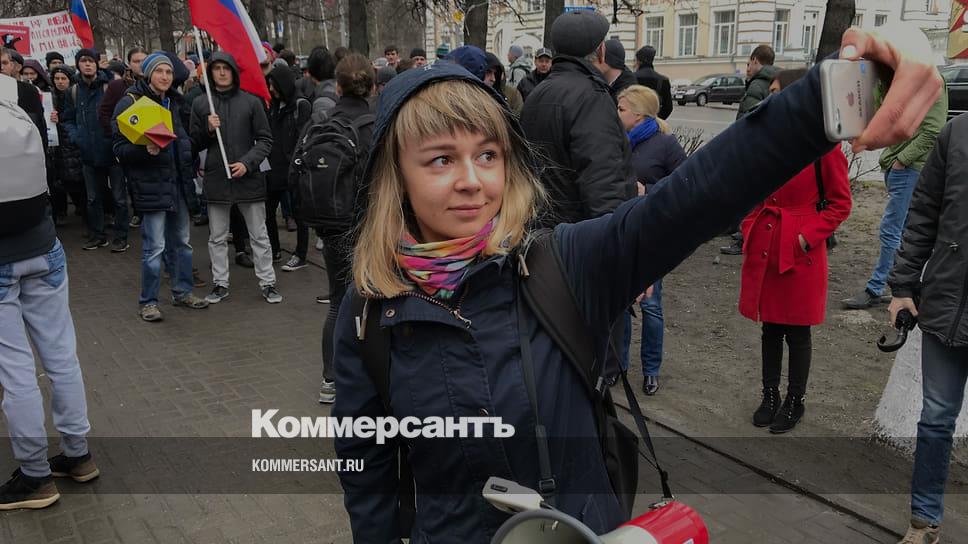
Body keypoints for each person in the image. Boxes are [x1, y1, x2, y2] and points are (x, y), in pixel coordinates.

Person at [331, 27, 941, 542]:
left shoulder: (563, 265)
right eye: (441, 159)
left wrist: (836, 92)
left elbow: (700, 194)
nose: (471, 179)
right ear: (395, 176)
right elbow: (369, 483)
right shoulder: (370, 316)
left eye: (488, 154)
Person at [739, 68, 852, 433]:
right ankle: (770, 396)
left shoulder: (824, 147)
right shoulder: (770, 141)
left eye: (776, 92)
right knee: (770, 328)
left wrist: (805, 237)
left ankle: (795, 400)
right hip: (768, 243)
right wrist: (749, 227)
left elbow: (840, 204)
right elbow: (753, 190)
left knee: (798, 332)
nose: (770, 98)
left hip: (802, 250)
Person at [0, 98, 98, 511]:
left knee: (15, 370)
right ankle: (77, 454)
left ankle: (35, 476)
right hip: (44, 247)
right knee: (61, 356)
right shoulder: (13, 103)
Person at [888, 98, 968, 544]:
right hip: (946, 305)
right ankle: (923, 522)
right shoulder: (957, 134)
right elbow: (923, 213)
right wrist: (902, 285)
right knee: (936, 417)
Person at [112, 53, 209, 321]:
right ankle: (149, 302)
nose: (165, 76)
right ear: (147, 74)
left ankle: (182, 292)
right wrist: (144, 150)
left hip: (179, 184)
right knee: (154, 247)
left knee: (183, 244)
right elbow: (118, 149)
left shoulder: (175, 102)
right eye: (159, 71)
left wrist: (208, 132)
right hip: (151, 186)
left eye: (168, 72)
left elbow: (187, 144)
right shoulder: (130, 102)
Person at [520, 10, 634, 227]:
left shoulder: (538, 93)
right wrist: (613, 236)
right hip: (579, 233)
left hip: (541, 228)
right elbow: (603, 183)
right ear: (601, 51)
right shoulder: (592, 97)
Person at [842, 86, 947, 310]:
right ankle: (903, 287)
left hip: (909, 169)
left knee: (892, 229)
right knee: (906, 230)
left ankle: (876, 288)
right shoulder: (910, 82)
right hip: (899, 166)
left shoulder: (931, 83)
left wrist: (902, 161)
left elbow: (932, 132)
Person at [189, 52, 281, 304]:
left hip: (248, 180)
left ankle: (267, 282)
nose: (221, 72)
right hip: (217, 179)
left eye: (226, 68)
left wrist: (247, 163)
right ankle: (220, 283)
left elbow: (265, 140)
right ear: (210, 72)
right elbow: (193, 143)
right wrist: (208, 129)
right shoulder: (201, 104)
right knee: (217, 237)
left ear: (233, 71)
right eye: (216, 68)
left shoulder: (251, 102)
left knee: (258, 235)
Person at [314, 53, 376, 405]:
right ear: (372, 86)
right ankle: (369, 376)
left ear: (337, 87)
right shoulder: (376, 126)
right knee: (374, 300)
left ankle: (330, 378)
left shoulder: (323, 123)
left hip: (332, 226)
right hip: (369, 226)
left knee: (338, 302)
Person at [616, 85, 686, 395]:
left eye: (621, 109)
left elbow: (686, 182)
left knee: (651, 305)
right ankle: (618, 365)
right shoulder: (616, 141)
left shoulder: (666, 144)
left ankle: (651, 370)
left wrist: (650, 191)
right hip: (620, 228)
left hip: (652, 231)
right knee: (619, 303)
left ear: (639, 114)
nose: (615, 114)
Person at [61, 48, 129, 252]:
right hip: (88, 153)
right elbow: (68, 119)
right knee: (92, 199)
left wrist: (117, 137)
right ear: (78, 64)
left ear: (97, 63)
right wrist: (77, 137)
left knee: (119, 198)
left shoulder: (111, 86)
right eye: (83, 61)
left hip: (113, 151)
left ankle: (121, 236)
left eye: (91, 60)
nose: (88, 64)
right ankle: (98, 235)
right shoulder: (73, 91)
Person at [265, 63, 311, 268]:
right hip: (275, 169)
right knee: (268, 211)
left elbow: (304, 138)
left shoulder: (301, 105)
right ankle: (274, 250)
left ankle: (301, 254)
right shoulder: (274, 107)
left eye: (274, 85)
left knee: (300, 214)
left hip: (294, 168)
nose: (271, 89)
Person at [49, 66, 87, 223]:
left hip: (74, 142)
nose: (59, 82)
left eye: (63, 78)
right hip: (58, 144)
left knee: (79, 180)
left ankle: (83, 210)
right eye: (56, 78)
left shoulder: (76, 95)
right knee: (60, 180)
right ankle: (62, 212)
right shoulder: (50, 97)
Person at [736, 44, 778, 120]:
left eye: (749, 64)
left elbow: (748, 120)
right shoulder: (778, 82)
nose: (748, 69)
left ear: (755, 60)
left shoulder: (756, 85)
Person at [633, 45, 673, 120]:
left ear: (639, 61)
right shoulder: (663, 80)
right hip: (654, 119)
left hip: (633, 120)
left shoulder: (631, 77)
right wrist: (656, 119)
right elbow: (668, 107)